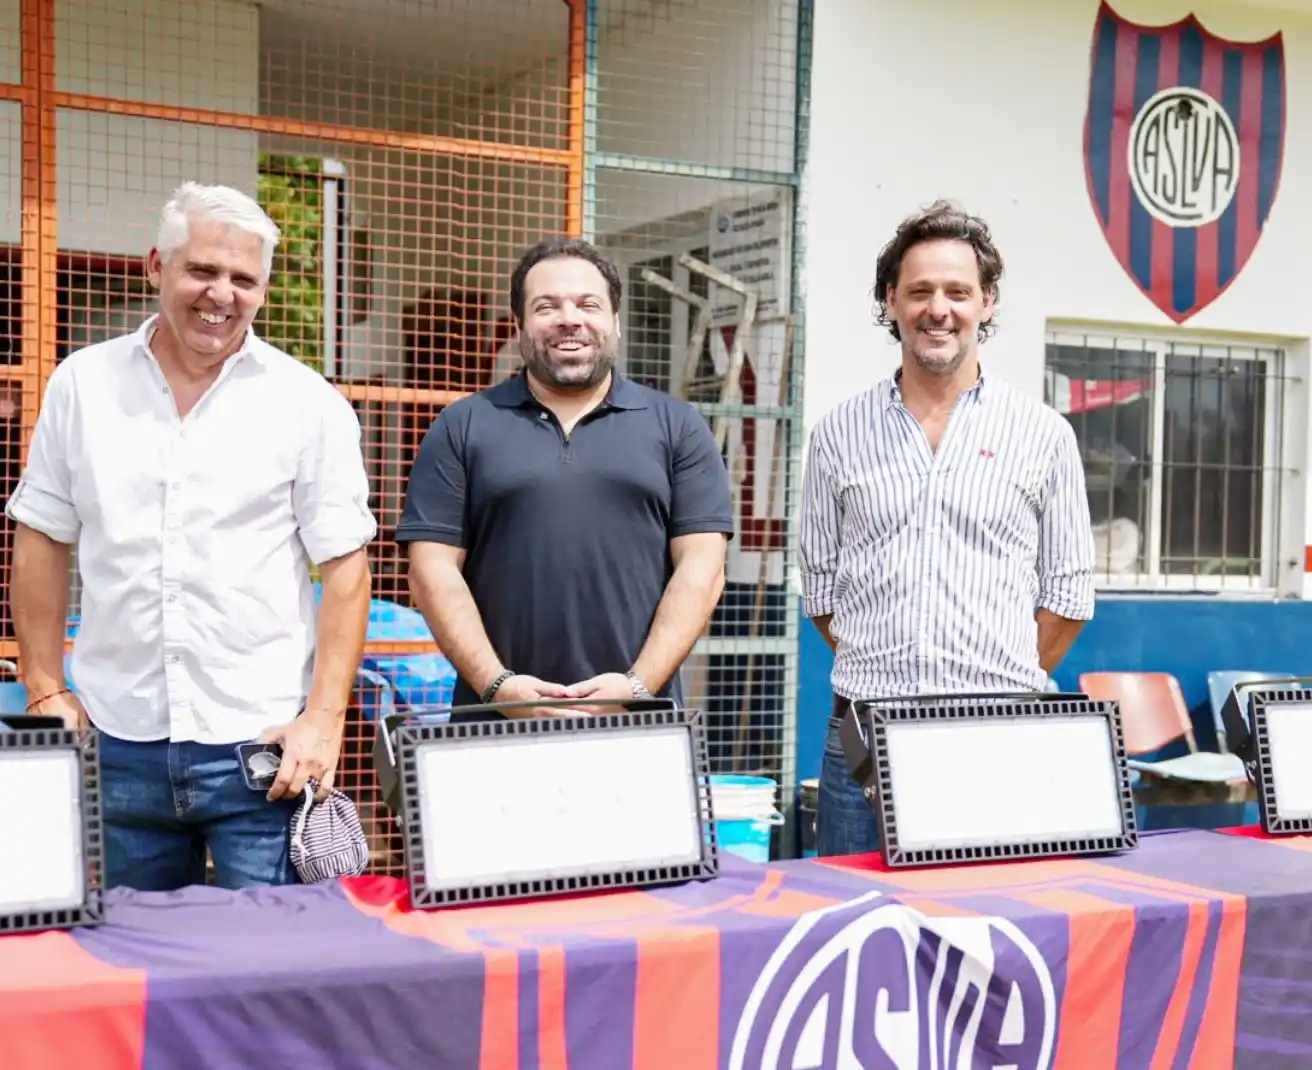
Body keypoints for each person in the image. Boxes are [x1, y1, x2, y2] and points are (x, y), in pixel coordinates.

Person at [5, 182, 376, 890]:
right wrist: (45, 688)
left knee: (267, 955)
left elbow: (346, 569)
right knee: (132, 953)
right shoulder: (83, 385)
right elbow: (42, 536)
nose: (221, 295)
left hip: (260, 752)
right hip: (116, 740)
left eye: (244, 279)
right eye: (202, 270)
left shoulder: (307, 403)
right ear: (157, 266)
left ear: (262, 290)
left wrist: (324, 719)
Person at [799, 200, 1096, 856]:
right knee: (855, 906)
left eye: (958, 292)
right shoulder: (837, 434)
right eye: (920, 291)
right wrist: (883, 667)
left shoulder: (1042, 434)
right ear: (891, 300)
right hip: (862, 737)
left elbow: (1069, 595)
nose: (939, 309)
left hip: (995, 737)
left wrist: (994, 680)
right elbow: (821, 590)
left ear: (987, 301)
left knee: (987, 910)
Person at [397, 236, 732, 716]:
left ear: (615, 321)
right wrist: (497, 688)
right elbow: (432, 569)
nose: (569, 319)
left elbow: (703, 568)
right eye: (546, 306)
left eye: (588, 304)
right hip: (494, 725)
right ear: (519, 325)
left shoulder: (678, 427)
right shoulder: (462, 426)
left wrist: (636, 688)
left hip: (639, 726)